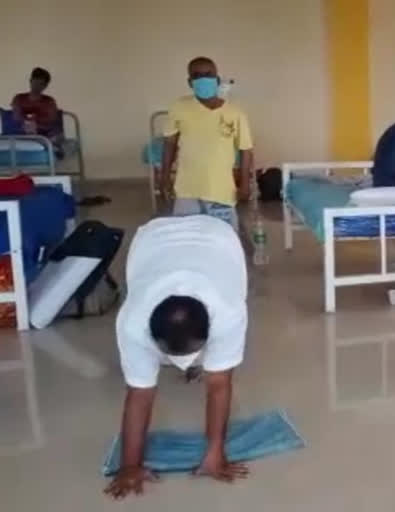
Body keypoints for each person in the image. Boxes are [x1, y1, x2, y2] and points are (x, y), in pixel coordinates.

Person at [105, 215, 249, 499]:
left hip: (217, 239)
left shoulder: (228, 310)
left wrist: (215, 454)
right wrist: (130, 466)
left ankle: (214, 447)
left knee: (217, 371)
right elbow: (139, 393)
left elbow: (219, 384)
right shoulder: (132, 322)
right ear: (151, 335)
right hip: (152, 241)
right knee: (141, 379)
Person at [160, 56, 254, 230]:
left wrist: (245, 184)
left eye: (208, 74)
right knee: (188, 239)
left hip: (221, 191)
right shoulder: (179, 107)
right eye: (196, 75)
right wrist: (164, 177)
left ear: (217, 79)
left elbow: (246, 150)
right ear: (189, 82)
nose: (203, 79)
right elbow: (169, 144)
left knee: (223, 239)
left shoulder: (235, 112)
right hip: (187, 190)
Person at [11, 67, 64, 154]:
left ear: (45, 86)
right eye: (35, 82)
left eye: (41, 84)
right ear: (30, 81)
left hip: (44, 133)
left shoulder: (49, 101)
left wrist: (37, 126)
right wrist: (27, 125)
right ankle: (47, 145)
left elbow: (52, 120)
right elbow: (16, 117)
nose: (37, 86)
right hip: (22, 132)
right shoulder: (19, 98)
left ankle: (46, 144)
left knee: (58, 135)